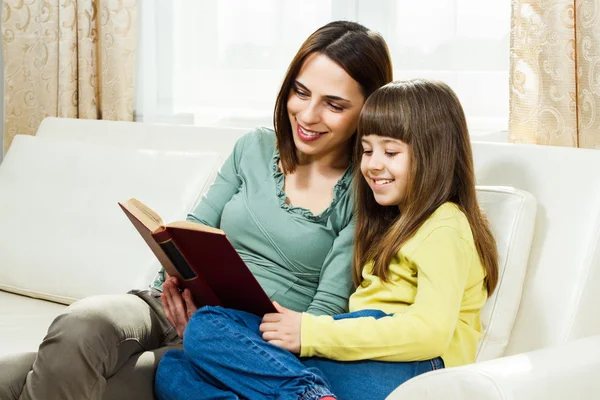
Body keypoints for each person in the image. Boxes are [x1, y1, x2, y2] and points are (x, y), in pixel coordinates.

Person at [4, 21, 393, 400]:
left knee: (30, 380)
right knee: (80, 323)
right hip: (168, 303)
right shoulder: (254, 147)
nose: (308, 116)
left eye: (334, 105)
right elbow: (197, 226)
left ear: (369, 110)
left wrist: (216, 330)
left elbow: (321, 318)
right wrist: (172, 282)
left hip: (241, 344)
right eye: (301, 92)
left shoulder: (366, 191)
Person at [153, 79, 500, 400]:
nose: (373, 165)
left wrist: (311, 333)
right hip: (359, 353)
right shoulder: (390, 222)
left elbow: (429, 332)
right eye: (366, 150)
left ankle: (306, 395)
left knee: (207, 326)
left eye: (390, 153)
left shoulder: (445, 226)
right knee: (174, 370)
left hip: (415, 368)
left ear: (435, 154)